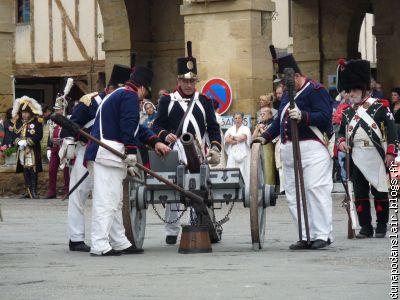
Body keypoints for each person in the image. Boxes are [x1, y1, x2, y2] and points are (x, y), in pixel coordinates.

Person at [253, 51, 334, 250]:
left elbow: (325, 117)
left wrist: (304, 116)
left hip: (312, 148)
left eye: (286, 81)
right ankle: (305, 235)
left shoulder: (316, 90)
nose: (283, 85)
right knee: (294, 194)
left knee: (315, 190)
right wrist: (265, 137)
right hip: (289, 149)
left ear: (297, 76)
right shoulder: (288, 95)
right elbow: (279, 121)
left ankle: (322, 234)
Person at [84, 65, 163, 256]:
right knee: (106, 200)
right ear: (142, 87)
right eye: (145, 93)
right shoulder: (129, 96)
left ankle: (119, 241)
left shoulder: (120, 93)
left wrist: (151, 141)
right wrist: (130, 152)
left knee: (116, 200)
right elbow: (128, 125)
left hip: (109, 154)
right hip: (107, 154)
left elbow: (134, 127)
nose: (143, 98)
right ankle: (99, 244)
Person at [152, 41, 222, 245]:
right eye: (185, 81)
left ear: (196, 81)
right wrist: (166, 135)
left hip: (199, 150)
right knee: (173, 186)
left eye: (192, 81)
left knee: (201, 187)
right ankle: (172, 229)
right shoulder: (167, 100)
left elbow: (213, 128)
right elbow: (157, 126)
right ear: (178, 80)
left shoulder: (205, 101)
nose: (189, 85)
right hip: (175, 151)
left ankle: (202, 221)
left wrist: (216, 147)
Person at [336, 59, 397, 239]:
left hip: (377, 155)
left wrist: (391, 153)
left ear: (363, 89)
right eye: (349, 90)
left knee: (380, 192)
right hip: (356, 156)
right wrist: (341, 143)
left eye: (354, 90)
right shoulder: (347, 112)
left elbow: (392, 132)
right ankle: (365, 227)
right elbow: (340, 133)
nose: (351, 93)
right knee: (360, 194)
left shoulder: (380, 106)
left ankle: (381, 226)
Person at [12, 96, 43, 199]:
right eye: (22, 112)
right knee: (25, 169)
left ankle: (34, 192)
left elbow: (39, 135)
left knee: (33, 169)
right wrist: (19, 142)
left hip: (32, 150)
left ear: (30, 113)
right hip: (22, 150)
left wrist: (28, 142)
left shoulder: (37, 121)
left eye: (26, 112)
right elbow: (15, 134)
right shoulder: (19, 122)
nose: (24, 114)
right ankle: (28, 191)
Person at [46, 98, 70, 198]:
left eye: (58, 109)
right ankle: (51, 192)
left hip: (64, 148)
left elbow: (70, 134)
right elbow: (49, 135)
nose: (56, 111)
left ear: (63, 109)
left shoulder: (68, 119)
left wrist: (61, 140)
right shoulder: (52, 121)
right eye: (55, 109)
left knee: (66, 171)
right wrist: (48, 147)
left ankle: (67, 191)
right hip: (54, 148)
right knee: (51, 170)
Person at [225, 112, 251, 187]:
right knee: (231, 170)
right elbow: (227, 140)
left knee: (243, 171)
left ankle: (244, 190)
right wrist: (237, 140)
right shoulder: (230, 129)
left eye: (239, 118)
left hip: (243, 153)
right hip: (232, 153)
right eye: (236, 118)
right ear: (233, 119)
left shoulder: (246, 129)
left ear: (242, 119)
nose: (237, 120)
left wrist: (232, 137)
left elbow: (243, 138)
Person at [252, 107, 275, 185]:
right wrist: (258, 127)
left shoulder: (272, 123)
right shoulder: (260, 124)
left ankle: (269, 186)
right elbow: (254, 137)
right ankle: (261, 186)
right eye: (261, 114)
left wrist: (261, 129)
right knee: (260, 168)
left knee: (268, 168)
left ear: (269, 115)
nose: (262, 115)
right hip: (259, 149)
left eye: (264, 114)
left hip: (268, 148)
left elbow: (268, 135)